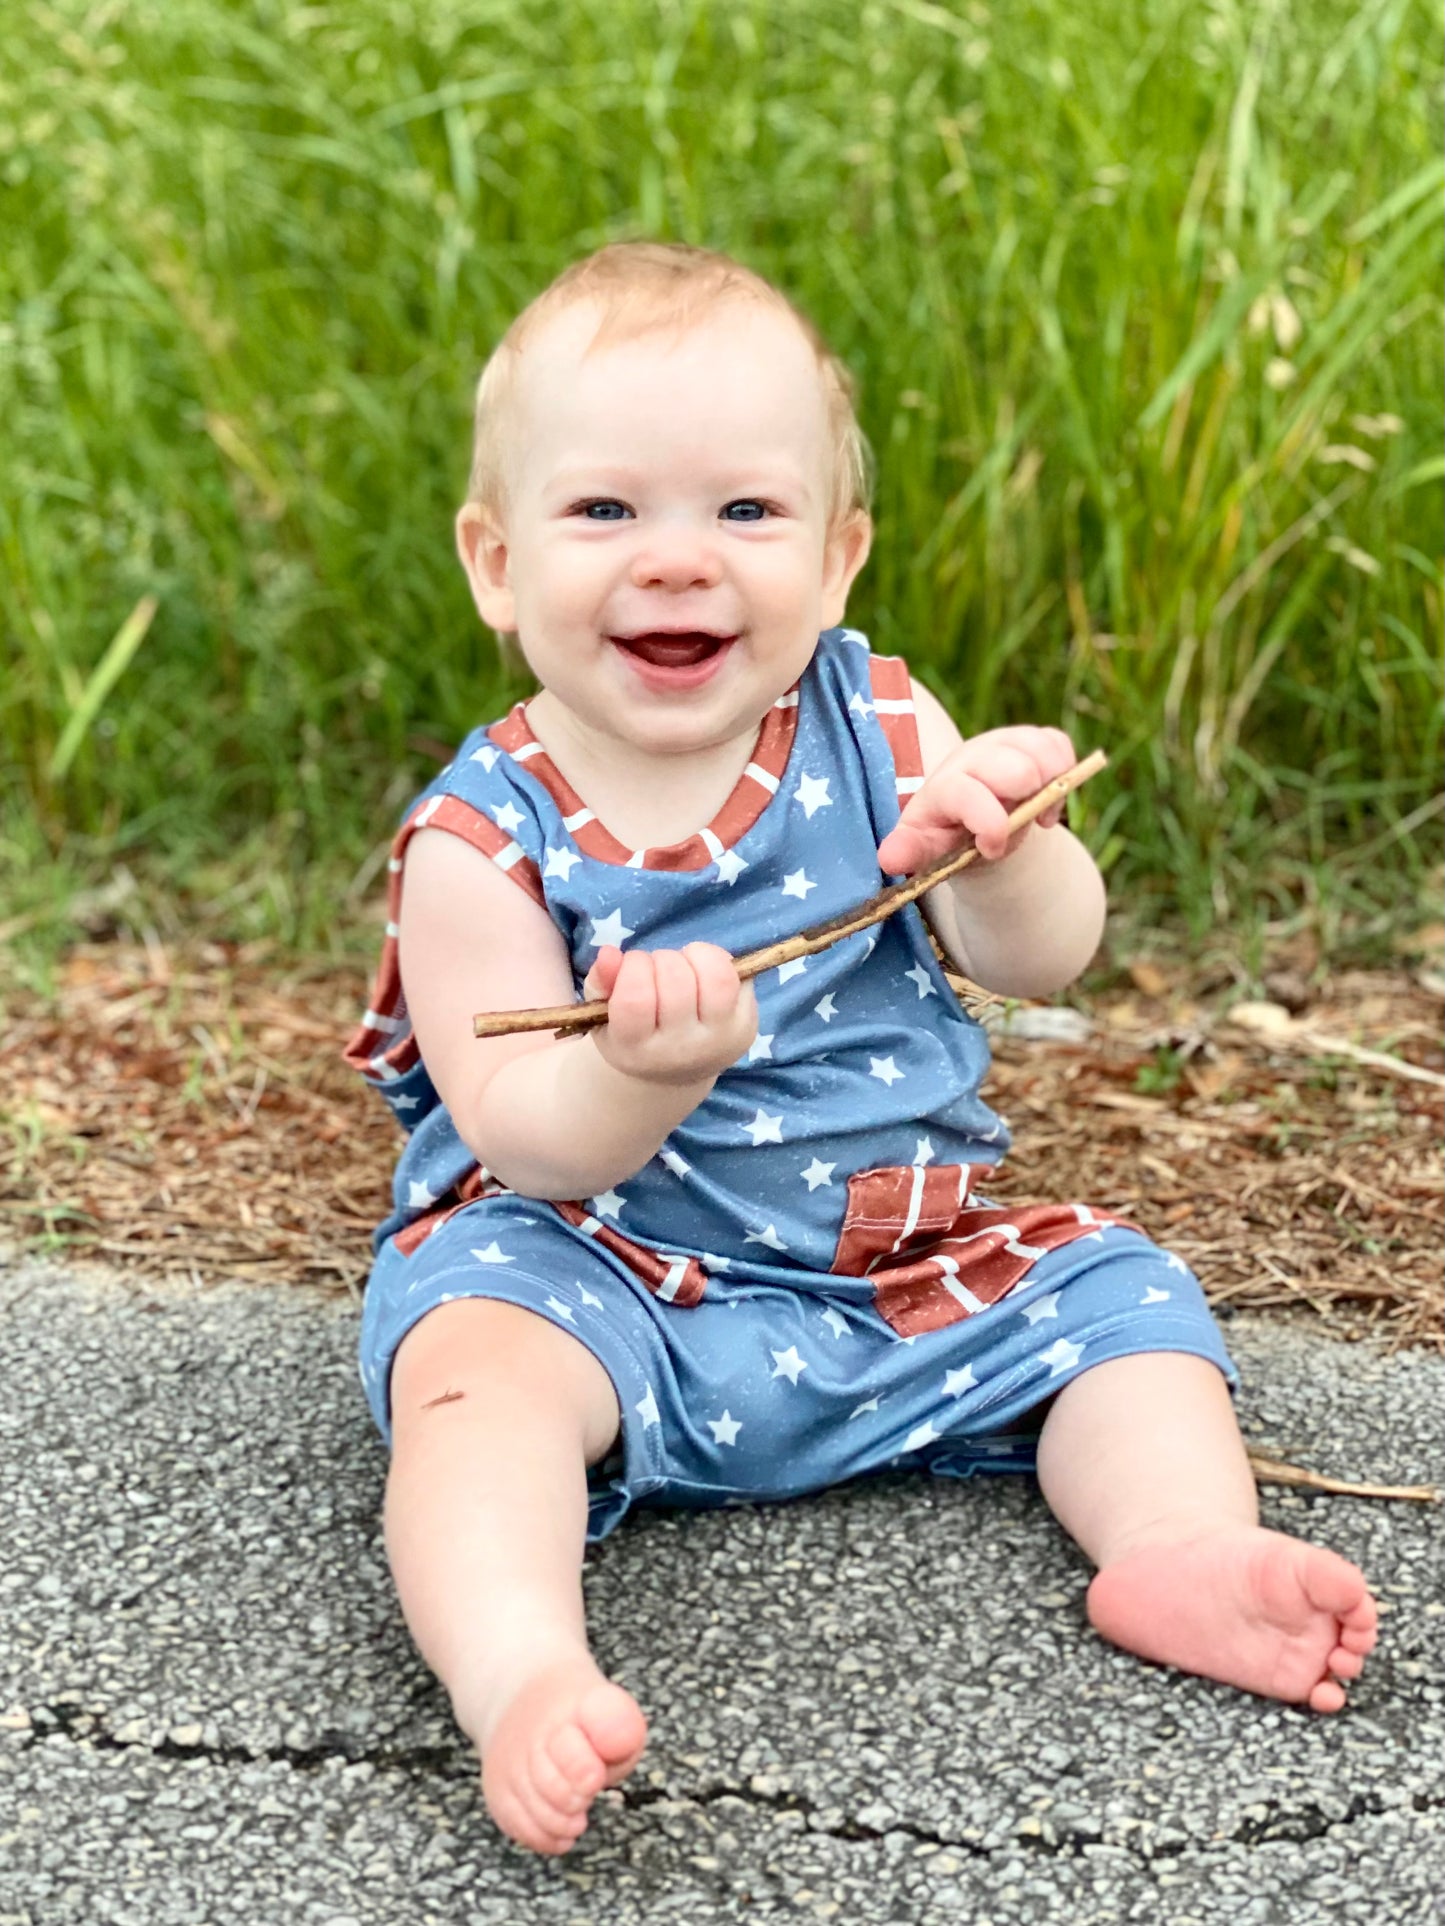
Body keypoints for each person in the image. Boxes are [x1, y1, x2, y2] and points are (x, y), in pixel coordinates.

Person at [343, 241, 1378, 1856]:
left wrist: (1011, 849)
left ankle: (1175, 1543)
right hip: (608, 1282)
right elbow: (522, 1129)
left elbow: (1028, 961)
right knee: (469, 1374)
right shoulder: (483, 838)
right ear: (494, 560)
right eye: (605, 511)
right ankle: (517, 1662)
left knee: (1123, 1299)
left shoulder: (882, 725)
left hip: (905, 1269)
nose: (677, 562)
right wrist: (634, 1075)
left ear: (836, 559)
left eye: (743, 513)